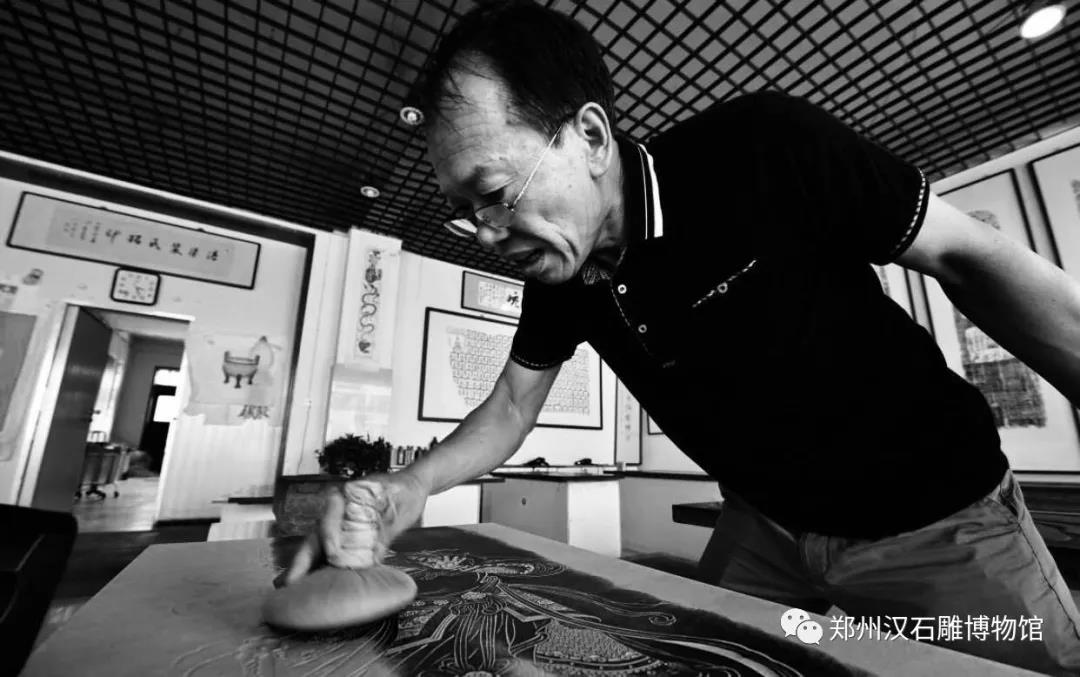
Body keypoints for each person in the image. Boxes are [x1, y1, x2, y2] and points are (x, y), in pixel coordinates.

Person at [284, 1, 1080, 673]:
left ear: (590, 137)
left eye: (493, 193)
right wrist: (411, 485)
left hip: (939, 519)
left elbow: (970, 257)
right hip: (766, 525)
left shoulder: (764, 149)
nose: (487, 233)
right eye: (465, 212)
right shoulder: (560, 273)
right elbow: (510, 407)